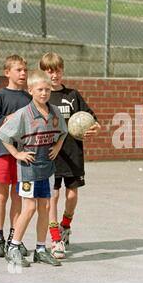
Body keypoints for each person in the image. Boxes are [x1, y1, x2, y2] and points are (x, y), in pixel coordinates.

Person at [0, 70, 68, 267]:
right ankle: (13, 246)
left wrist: (57, 146)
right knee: (29, 207)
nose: (44, 93)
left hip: (47, 167)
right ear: (31, 91)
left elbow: (63, 132)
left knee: (45, 207)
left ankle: (41, 249)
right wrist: (17, 154)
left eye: (47, 89)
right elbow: (3, 135)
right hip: (29, 169)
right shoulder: (23, 114)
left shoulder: (54, 112)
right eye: (40, 90)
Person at [39, 52, 101, 259]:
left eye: (57, 71)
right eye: (49, 71)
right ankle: (55, 239)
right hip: (52, 155)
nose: (54, 75)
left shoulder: (73, 95)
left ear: (62, 71)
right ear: (43, 73)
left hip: (73, 153)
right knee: (53, 196)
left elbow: (92, 119)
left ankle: (66, 225)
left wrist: (95, 128)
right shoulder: (43, 97)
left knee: (72, 195)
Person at [0, 54, 31, 258]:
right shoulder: (0, 96)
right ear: (7, 73)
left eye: (25, 70)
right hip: (2, 151)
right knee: (1, 195)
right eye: (18, 70)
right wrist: (8, 118)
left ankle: (15, 238)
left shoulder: (29, 98)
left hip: (21, 154)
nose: (23, 73)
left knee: (18, 196)